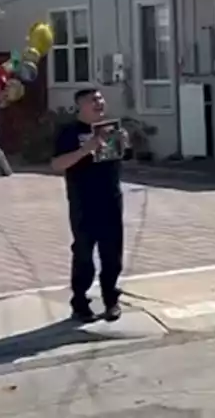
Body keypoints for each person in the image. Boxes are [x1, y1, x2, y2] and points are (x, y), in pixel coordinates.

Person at [50, 88, 131, 323]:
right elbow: (57, 164)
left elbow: (123, 157)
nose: (99, 103)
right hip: (83, 201)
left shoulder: (111, 128)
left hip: (111, 198)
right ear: (80, 106)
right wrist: (86, 149)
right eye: (92, 100)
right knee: (84, 253)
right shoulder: (69, 132)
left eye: (100, 98)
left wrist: (124, 143)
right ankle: (80, 302)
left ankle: (111, 300)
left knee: (112, 253)